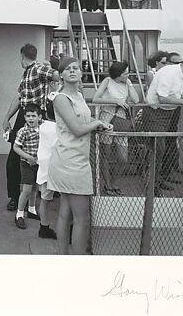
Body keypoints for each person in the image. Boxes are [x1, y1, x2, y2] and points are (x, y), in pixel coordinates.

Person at [47, 57, 112, 255]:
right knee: (82, 218)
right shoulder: (60, 98)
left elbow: (83, 119)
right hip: (69, 161)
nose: (72, 71)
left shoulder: (79, 95)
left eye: (76, 68)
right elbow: (76, 129)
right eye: (67, 69)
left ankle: (64, 259)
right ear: (61, 75)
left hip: (75, 158)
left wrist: (97, 122)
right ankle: (76, 263)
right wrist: (99, 122)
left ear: (81, 73)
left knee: (66, 212)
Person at [2, 44, 59, 211]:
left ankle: (40, 194)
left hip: (36, 114)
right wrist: (7, 117)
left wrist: (53, 72)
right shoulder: (27, 73)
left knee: (40, 155)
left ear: (22, 56)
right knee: (16, 156)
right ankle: (16, 197)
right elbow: (20, 97)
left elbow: (56, 75)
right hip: (24, 114)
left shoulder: (38, 69)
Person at [145, 55, 183, 195]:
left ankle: (158, 180)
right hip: (155, 113)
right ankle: (151, 187)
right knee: (157, 148)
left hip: (170, 113)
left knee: (167, 147)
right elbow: (162, 98)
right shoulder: (169, 72)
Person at [91, 61, 139, 195]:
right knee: (105, 154)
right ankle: (107, 184)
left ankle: (113, 181)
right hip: (107, 118)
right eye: (125, 73)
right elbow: (95, 99)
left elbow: (136, 100)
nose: (127, 75)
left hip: (121, 121)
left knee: (123, 158)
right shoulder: (107, 81)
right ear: (118, 75)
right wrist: (115, 101)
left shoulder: (127, 83)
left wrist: (129, 84)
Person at [12, 103, 42, 230]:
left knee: (35, 187)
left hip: (39, 163)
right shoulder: (23, 131)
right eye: (28, 116)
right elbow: (16, 147)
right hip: (26, 163)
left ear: (39, 117)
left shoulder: (42, 129)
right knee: (27, 189)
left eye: (33, 116)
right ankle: (19, 214)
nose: (31, 119)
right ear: (24, 117)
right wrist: (28, 157)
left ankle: (31, 209)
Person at [35, 96, 58, 239]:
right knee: (65, 200)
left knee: (45, 199)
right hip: (55, 167)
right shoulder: (59, 128)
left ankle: (44, 226)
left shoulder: (42, 127)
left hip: (43, 167)